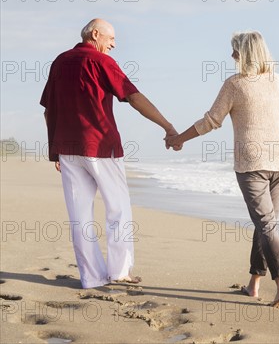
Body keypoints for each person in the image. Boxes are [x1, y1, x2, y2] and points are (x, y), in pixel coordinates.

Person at [40, 18, 178, 289]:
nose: (114, 45)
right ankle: (119, 271)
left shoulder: (59, 62)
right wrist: (168, 126)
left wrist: (54, 151)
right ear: (95, 34)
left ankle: (91, 277)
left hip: (68, 149)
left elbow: (48, 110)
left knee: (80, 215)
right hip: (102, 147)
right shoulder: (102, 62)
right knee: (118, 209)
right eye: (111, 39)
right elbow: (134, 97)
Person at [167, 31, 279, 307]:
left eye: (235, 50)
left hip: (252, 165)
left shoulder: (235, 84)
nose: (232, 56)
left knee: (265, 224)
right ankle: (254, 284)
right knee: (265, 224)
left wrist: (179, 138)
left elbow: (211, 121)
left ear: (246, 53)